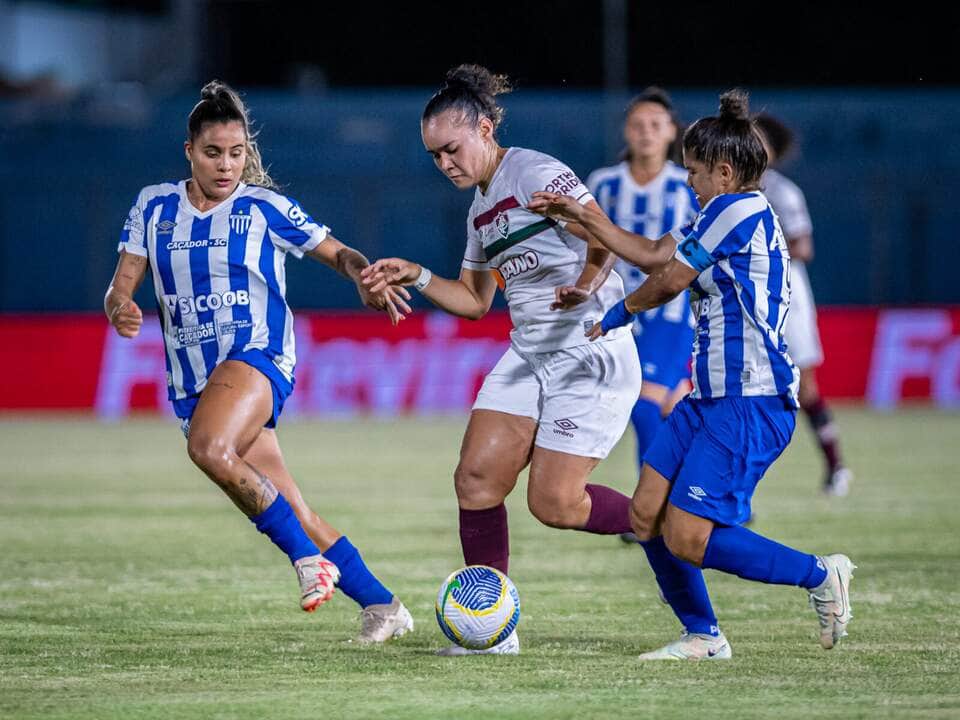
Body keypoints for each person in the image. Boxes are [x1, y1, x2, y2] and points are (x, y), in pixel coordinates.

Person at [529, 89, 855, 659]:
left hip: (750, 400)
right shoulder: (718, 212)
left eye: (696, 172)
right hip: (708, 398)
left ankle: (819, 574)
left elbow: (669, 280)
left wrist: (618, 313)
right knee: (644, 513)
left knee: (687, 535)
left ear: (725, 172)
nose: (689, 182)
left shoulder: (742, 208)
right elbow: (654, 252)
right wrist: (582, 216)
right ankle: (703, 635)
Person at [104, 80, 415, 644]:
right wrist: (119, 306)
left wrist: (362, 274)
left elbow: (338, 251)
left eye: (237, 152)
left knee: (207, 448)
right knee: (290, 504)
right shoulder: (154, 205)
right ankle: (382, 604)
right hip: (194, 379)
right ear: (189, 152)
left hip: (258, 356)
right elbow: (120, 287)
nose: (226, 165)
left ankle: (305, 562)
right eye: (213, 153)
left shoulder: (263, 207)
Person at [361, 64, 642, 656]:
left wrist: (589, 284)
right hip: (530, 355)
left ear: (485, 128)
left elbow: (603, 235)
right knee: (476, 479)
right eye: (434, 156)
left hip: (588, 351)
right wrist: (416, 272)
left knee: (555, 503)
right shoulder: (479, 210)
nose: (445, 164)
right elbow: (472, 301)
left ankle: (664, 520)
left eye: (451, 149)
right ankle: (492, 632)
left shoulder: (534, 171)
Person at [586, 88, 699, 542]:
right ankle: (705, 501)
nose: (646, 132)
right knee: (675, 410)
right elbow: (589, 242)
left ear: (672, 132)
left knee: (643, 402)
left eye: (656, 124)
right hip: (619, 310)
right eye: (637, 124)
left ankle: (647, 513)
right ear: (625, 132)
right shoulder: (603, 183)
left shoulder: (688, 184)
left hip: (671, 313)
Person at [755, 113, 852, 496]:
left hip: (789, 297)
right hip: (747, 299)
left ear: (772, 152)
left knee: (804, 389)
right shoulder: (726, 191)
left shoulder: (782, 192)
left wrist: (759, 249)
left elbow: (804, 246)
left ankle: (835, 464)